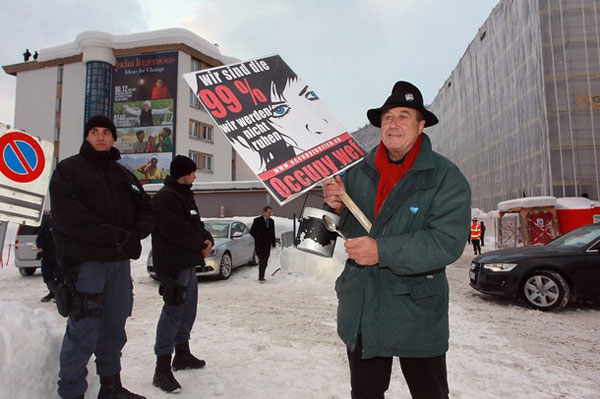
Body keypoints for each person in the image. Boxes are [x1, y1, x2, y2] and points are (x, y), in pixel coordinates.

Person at [322, 81, 471, 399]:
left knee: (429, 393)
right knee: (365, 392)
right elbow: (344, 229)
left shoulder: (445, 176)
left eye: (404, 116)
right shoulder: (356, 172)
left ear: (420, 125)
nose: (393, 123)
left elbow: (447, 241)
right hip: (364, 302)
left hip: (415, 305)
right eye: (388, 117)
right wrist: (335, 207)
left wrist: (382, 251)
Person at [49, 114, 155, 399]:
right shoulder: (68, 170)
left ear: (113, 139)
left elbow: (147, 209)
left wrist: (136, 235)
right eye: (94, 131)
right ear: (87, 136)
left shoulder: (124, 175)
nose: (100, 137)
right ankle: (71, 393)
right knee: (83, 331)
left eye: (106, 132)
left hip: (118, 267)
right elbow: (69, 218)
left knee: (114, 328)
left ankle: (111, 387)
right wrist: (118, 236)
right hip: (86, 265)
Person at [151, 155, 214, 393]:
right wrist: (200, 243)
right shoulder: (165, 199)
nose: (195, 176)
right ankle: (162, 368)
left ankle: (182, 354)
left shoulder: (184, 195)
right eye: (193, 172)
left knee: (187, 311)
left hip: (187, 263)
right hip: (173, 265)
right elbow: (175, 231)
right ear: (183, 173)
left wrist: (207, 238)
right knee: (172, 313)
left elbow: (195, 225)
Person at [36, 213, 63, 302]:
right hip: (47, 255)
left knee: (60, 276)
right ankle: (54, 292)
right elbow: (40, 237)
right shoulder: (46, 224)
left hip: (59, 255)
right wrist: (40, 248)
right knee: (47, 275)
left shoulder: (62, 224)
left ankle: (61, 294)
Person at [250, 206, 276, 281]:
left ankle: (262, 273)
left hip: (267, 244)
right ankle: (261, 276)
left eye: (271, 212)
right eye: (269, 212)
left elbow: (272, 232)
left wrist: (273, 242)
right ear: (264, 212)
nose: (270, 214)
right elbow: (252, 231)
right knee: (262, 259)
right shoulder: (257, 220)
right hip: (260, 244)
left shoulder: (271, 221)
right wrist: (258, 237)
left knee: (266, 260)